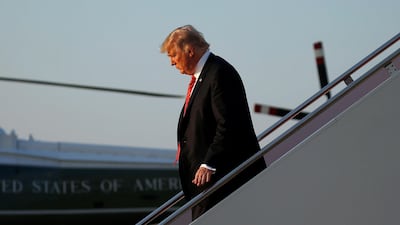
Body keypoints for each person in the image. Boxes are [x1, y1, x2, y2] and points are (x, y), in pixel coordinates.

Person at [160, 25, 266, 220]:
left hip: (222, 181)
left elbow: (228, 123)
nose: (171, 63)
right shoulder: (204, 76)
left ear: (189, 51)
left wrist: (209, 163)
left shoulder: (218, 73)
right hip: (207, 185)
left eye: (173, 55)